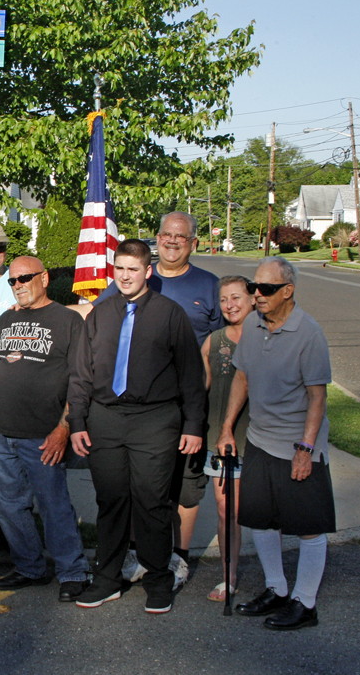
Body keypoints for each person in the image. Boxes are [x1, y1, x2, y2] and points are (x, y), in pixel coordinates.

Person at [70, 239, 206, 615]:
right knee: (111, 501)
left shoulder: (170, 314)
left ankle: (158, 578)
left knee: (152, 502)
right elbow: (81, 372)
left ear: (148, 271)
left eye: (133, 269)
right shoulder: (101, 312)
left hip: (155, 420)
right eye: (120, 269)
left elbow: (191, 376)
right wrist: (78, 421)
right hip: (106, 418)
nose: (125, 276)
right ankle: (108, 578)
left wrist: (193, 425)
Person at [101, 212, 222, 587]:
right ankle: (140, 553)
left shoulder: (208, 285)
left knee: (185, 486)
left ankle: (179, 557)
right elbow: (96, 316)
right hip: (147, 410)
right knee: (144, 484)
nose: (172, 241)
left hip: (191, 402)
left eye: (181, 237)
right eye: (167, 235)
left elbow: (227, 339)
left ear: (193, 243)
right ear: (157, 239)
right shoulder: (132, 283)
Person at [223, 257, 335, 631]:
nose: (257, 295)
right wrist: (227, 428)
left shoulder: (309, 333)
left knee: (307, 526)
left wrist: (305, 449)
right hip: (259, 438)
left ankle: (306, 603)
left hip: (296, 444)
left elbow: (317, 397)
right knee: (261, 520)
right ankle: (277, 588)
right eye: (255, 288)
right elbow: (242, 378)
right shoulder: (253, 325)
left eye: (266, 289)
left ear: (288, 291)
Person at [0, 256, 91, 603]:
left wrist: (64, 428)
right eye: (12, 281)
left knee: (53, 505)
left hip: (44, 434)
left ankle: (72, 571)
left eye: (25, 278)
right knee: (9, 506)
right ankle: (30, 567)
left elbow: (80, 379)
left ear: (44, 278)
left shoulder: (67, 320)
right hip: (5, 434)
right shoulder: (5, 320)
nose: (18, 285)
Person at [200, 275, 254, 601]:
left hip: (261, 438)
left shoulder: (266, 337)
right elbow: (198, 387)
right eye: (223, 300)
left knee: (262, 510)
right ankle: (229, 575)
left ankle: (278, 578)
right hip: (221, 440)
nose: (230, 305)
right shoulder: (214, 341)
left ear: (251, 299)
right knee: (226, 511)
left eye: (236, 298)